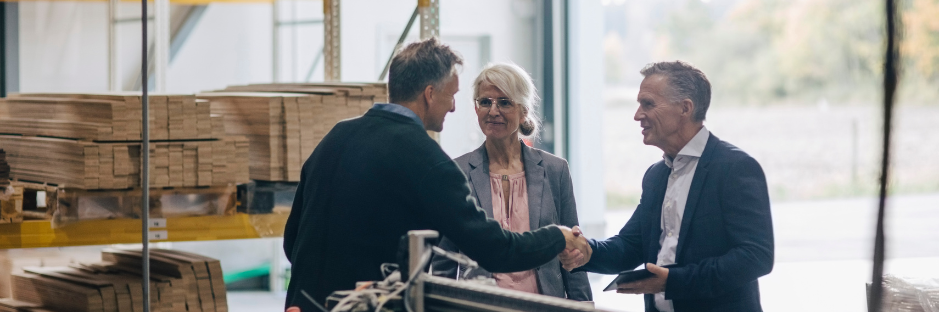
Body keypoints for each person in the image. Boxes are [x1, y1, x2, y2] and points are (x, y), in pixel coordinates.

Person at [282, 38, 589, 311]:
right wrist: (557, 236)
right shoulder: (427, 160)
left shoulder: (337, 136)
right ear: (430, 94)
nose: (454, 107)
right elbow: (495, 250)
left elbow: (292, 239)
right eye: (452, 94)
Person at [560, 61, 774, 312]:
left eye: (648, 104)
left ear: (685, 108)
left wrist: (673, 282)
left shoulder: (734, 168)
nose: (637, 115)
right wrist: (586, 252)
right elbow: (630, 246)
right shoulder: (656, 176)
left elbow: (755, 257)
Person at [432, 63, 592, 301]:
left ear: (524, 110)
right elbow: (444, 259)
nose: (493, 111)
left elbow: (573, 253)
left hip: (544, 305)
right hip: (482, 306)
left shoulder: (555, 170)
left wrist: (584, 306)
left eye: (504, 102)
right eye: (485, 102)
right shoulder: (457, 171)